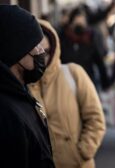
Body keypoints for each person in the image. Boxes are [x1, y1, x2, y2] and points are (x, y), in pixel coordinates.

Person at [28, 20, 106, 168]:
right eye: (36, 54)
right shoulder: (22, 86)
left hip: (78, 164)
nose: (42, 59)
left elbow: (95, 118)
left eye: (47, 52)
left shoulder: (73, 73)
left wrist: (82, 151)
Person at [0, 5, 55, 168]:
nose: (41, 51)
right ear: (16, 50)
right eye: (35, 44)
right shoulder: (6, 112)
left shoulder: (21, 94)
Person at [59, 6, 109, 90]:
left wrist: (105, 82)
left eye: (82, 20)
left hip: (87, 81)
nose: (80, 23)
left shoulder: (90, 39)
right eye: (77, 20)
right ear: (72, 22)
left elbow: (99, 61)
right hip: (67, 82)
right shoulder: (64, 38)